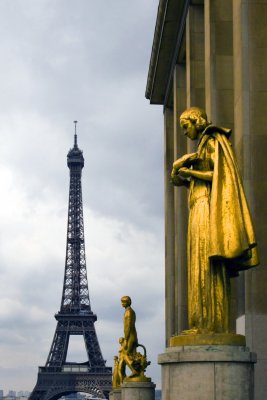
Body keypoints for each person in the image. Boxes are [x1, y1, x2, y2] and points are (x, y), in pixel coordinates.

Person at [171, 107, 259, 334]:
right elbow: (190, 180)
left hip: (206, 206)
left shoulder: (212, 141)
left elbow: (218, 175)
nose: (184, 132)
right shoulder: (203, 144)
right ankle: (201, 323)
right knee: (199, 265)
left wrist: (190, 172)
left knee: (205, 264)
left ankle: (209, 325)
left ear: (196, 121)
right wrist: (178, 170)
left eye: (185, 126)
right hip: (198, 206)